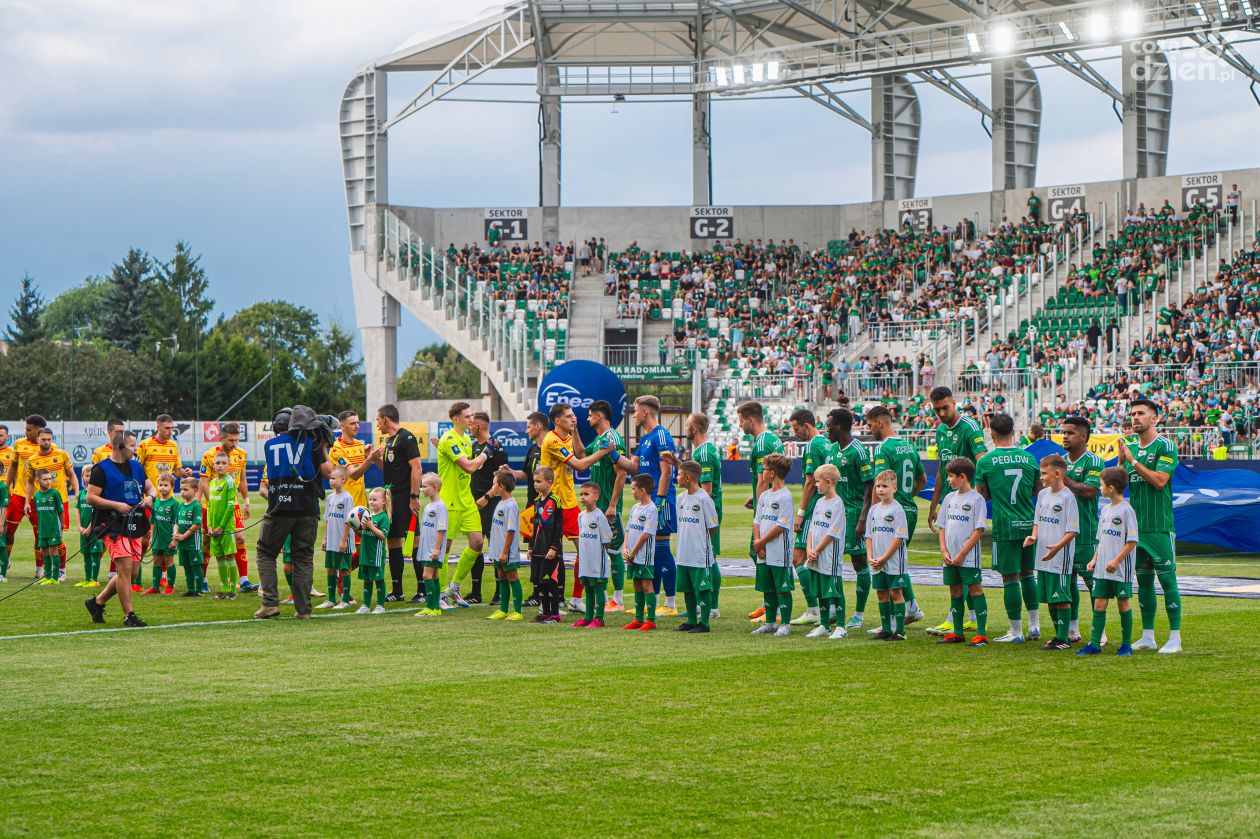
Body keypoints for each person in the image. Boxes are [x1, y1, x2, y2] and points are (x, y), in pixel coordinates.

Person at [254, 406, 333, 620]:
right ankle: (303, 610)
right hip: (307, 507)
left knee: (265, 552)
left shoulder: (269, 445)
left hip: (280, 507)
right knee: (303, 558)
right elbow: (328, 472)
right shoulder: (312, 442)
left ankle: (270, 603)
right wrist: (323, 446)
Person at [1118, 398, 1182, 654]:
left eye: (1141, 413)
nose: (1135, 418)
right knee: (1142, 583)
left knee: (1168, 581)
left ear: (1154, 418)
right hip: (1137, 528)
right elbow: (1118, 486)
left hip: (1159, 526)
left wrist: (1132, 461)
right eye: (1133, 414)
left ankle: (1175, 638)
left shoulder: (1165, 445)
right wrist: (1120, 464)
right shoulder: (1130, 447)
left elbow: (1159, 481)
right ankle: (1148, 636)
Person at [974, 413, 1042, 643]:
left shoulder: (985, 461)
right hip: (1028, 523)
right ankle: (1035, 626)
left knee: (1010, 578)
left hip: (1005, 526)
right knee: (1028, 574)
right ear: (1013, 433)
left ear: (991, 434)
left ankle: (1016, 631)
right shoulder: (1029, 458)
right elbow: (1036, 489)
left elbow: (980, 496)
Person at [926, 385, 987, 637]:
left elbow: (982, 460)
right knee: (953, 562)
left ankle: (962, 620)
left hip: (969, 499)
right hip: (952, 498)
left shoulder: (970, 427)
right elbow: (942, 468)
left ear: (954, 402)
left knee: (967, 568)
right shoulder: (940, 431)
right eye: (937, 409)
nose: (941, 413)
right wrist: (934, 503)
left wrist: (978, 499)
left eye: (945, 407)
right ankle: (967, 619)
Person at [610, 395, 678, 616]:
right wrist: (612, 453)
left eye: (636, 411)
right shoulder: (647, 438)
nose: (634, 415)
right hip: (651, 501)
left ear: (645, 412)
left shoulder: (661, 435)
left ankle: (670, 604)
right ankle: (656, 602)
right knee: (652, 552)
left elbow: (667, 471)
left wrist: (658, 500)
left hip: (662, 500)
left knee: (661, 549)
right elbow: (632, 467)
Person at [541, 403, 613, 612]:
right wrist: (604, 451)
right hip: (553, 504)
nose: (574, 419)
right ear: (557, 421)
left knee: (584, 549)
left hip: (569, 503)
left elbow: (580, 454)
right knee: (550, 553)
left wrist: (576, 430)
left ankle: (575, 598)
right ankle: (548, 602)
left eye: (574, 415)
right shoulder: (553, 440)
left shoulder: (567, 437)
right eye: (569, 416)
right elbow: (581, 465)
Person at [84, 429, 154, 628]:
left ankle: (96, 603)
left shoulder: (137, 467)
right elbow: (91, 497)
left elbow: (151, 487)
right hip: (112, 525)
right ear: (120, 446)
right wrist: (115, 505)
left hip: (135, 524)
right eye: (132, 445)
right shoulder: (101, 469)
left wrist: (150, 497)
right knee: (124, 568)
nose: (135, 449)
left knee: (131, 573)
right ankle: (128, 615)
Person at [866, 404, 927, 624]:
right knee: (896, 562)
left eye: (870, 424)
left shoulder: (883, 449)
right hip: (909, 509)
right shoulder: (909, 446)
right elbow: (922, 480)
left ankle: (894, 620)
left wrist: (873, 513)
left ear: (880, 422)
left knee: (888, 565)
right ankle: (911, 608)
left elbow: (879, 483)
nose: (869, 428)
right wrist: (908, 495)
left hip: (891, 513)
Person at [1078, 467, 1139, 657]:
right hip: (1102, 568)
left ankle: (1126, 645)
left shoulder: (1127, 510)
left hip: (1120, 568)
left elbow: (1132, 541)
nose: (1099, 488)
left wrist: (1117, 560)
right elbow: (1101, 539)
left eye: (1101, 485)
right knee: (1099, 604)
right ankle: (1095, 644)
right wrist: (1095, 558)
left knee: (1123, 604)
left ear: (1111, 488)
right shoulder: (1105, 509)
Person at [437, 402, 491, 608]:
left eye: (471, 416)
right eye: (467, 417)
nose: (471, 420)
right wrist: (486, 453)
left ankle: (454, 586)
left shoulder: (466, 439)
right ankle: (441, 593)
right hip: (449, 500)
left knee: (477, 542)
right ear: (455, 419)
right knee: (444, 548)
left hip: (466, 499)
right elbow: (469, 467)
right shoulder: (449, 438)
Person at [825, 409, 875, 631]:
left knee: (859, 562)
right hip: (834, 514)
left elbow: (869, 486)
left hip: (854, 512)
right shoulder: (833, 450)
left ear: (837, 427)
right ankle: (836, 608)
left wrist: (863, 518)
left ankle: (858, 614)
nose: (826, 430)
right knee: (832, 561)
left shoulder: (858, 451)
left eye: (828, 426)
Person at [367, 405, 422, 603]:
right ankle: (397, 591)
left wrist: (413, 496)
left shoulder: (406, 437)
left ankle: (422, 591)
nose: (377, 424)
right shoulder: (390, 441)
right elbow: (389, 469)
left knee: (415, 542)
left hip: (405, 497)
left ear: (386, 419)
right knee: (393, 542)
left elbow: (416, 467)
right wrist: (373, 459)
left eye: (377, 420)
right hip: (392, 499)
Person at [1025, 455, 1079, 650]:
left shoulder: (1068, 497)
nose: (1042, 477)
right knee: (1049, 598)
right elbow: (1037, 520)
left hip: (1060, 557)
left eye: (1044, 473)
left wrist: (1056, 548)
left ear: (1057, 474)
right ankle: (1058, 635)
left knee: (1061, 597)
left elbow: (1073, 530)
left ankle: (1064, 639)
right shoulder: (1043, 494)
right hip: (1043, 555)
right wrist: (1033, 536)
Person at [935, 458, 988, 646]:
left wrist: (962, 554)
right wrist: (944, 550)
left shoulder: (976, 499)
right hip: (949, 557)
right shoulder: (949, 498)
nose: (948, 480)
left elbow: (979, 529)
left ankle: (981, 634)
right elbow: (941, 526)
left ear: (963, 477)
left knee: (975, 590)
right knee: (955, 591)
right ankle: (957, 632)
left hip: (968, 558)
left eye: (950, 476)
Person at [739, 401, 784, 623]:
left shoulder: (762, 443)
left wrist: (760, 510)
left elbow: (763, 480)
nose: (739, 425)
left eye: (740, 420)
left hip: (768, 511)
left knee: (760, 551)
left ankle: (773, 607)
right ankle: (769, 603)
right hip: (771, 504)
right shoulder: (771, 439)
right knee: (761, 553)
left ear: (750, 419)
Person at [1061, 416, 1104, 644]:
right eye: (1064, 432)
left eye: (1070, 433)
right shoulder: (1059, 460)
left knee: (1093, 584)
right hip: (1062, 535)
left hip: (1086, 534)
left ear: (1083, 436)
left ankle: (1100, 631)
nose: (1065, 436)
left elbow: (1089, 491)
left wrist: (1063, 477)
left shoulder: (1093, 461)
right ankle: (1072, 629)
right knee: (1067, 583)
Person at [198, 422, 255, 593]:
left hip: (232, 504)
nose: (234, 444)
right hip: (212, 506)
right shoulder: (209, 455)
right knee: (207, 540)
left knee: (240, 538)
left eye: (236, 440)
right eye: (231, 440)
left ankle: (243, 580)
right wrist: (210, 503)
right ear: (221, 438)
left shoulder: (241, 454)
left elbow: (242, 480)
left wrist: (246, 501)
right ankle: (202, 579)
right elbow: (204, 481)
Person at [788, 409, 832, 628]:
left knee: (799, 557)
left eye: (796, 429)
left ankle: (815, 609)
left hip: (814, 508)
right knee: (817, 558)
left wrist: (800, 513)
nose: (795, 433)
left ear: (807, 425)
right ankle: (828, 607)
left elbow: (809, 482)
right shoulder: (826, 443)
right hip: (827, 507)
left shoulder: (813, 446)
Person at [586, 400, 628, 613]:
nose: (587, 419)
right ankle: (601, 598)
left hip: (607, 506)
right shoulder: (599, 439)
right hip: (596, 506)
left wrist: (612, 505)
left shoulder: (613, 439)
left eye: (590, 415)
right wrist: (574, 431)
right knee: (598, 551)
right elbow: (582, 454)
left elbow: (621, 473)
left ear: (599, 416)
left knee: (613, 551)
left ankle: (618, 600)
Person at [24, 426, 77, 582]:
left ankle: (61, 570)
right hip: (41, 502)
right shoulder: (33, 460)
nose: (46, 442)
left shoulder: (62, 455)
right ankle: (48, 571)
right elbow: (29, 482)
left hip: (60, 501)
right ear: (38, 439)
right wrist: (27, 500)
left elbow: (72, 475)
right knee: (44, 537)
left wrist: (78, 491)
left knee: (58, 538)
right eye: (43, 439)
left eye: (49, 439)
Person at [751, 453, 795, 637]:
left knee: (782, 588)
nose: (762, 471)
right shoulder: (764, 496)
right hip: (763, 550)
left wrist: (761, 541)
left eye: (765, 468)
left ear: (773, 473)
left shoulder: (785, 497)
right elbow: (757, 520)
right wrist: (758, 544)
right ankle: (769, 622)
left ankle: (785, 623)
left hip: (779, 550)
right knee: (767, 587)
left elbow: (781, 526)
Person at [468, 410, 509, 604]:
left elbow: (502, 479)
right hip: (475, 502)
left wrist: (487, 496)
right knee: (476, 545)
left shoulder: (496, 447)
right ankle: (476, 592)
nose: (469, 426)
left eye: (471, 423)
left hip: (490, 502)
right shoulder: (475, 446)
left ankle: (500, 591)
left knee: (495, 546)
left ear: (480, 426)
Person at [674, 460, 718, 634]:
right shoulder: (681, 498)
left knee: (703, 587)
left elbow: (713, 526)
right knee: (687, 587)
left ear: (687, 477)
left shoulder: (703, 499)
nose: (677, 477)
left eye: (678, 474)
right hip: (683, 551)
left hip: (699, 552)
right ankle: (691, 620)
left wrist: (701, 542)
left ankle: (704, 623)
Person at [804, 463, 847, 640]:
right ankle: (824, 624)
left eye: (818, 481)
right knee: (820, 591)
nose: (815, 484)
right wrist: (809, 549)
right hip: (815, 555)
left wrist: (818, 549)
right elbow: (812, 528)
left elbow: (832, 532)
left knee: (835, 591)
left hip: (829, 556)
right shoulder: (819, 502)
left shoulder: (837, 504)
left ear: (828, 482)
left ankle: (842, 626)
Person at [865, 469, 909, 641]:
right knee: (881, 594)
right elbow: (868, 536)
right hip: (876, 561)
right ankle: (885, 629)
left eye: (885, 486)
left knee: (895, 593)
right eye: (878, 486)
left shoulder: (897, 510)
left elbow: (899, 537)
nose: (881, 490)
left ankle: (899, 631)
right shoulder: (873, 510)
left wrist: (884, 558)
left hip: (893, 562)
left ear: (894, 488)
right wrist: (870, 557)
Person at [512, 411, 547, 607]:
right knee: (533, 549)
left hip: (547, 508)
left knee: (548, 550)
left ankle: (550, 593)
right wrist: (510, 473)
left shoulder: (551, 447)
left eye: (528, 427)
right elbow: (526, 475)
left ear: (538, 427)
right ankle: (536, 593)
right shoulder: (532, 449)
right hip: (531, 507)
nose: (526, 430)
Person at [621, 474, 659, 631]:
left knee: (646, 584)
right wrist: (625, 547)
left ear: (642, 490)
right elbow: (628, 529)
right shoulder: (635, 508)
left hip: (643, 555)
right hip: (632, 554)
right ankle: (638, 618)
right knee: (636, 583)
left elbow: (645, 535)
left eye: (633, 489)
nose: (632, 492)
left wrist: (633, 552)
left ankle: (650, 620)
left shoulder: (651, 509)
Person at [5, 415, 47, 558]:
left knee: (40, 534)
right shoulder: (19, 444)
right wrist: (6, 487)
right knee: (8, 531)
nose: (25, 432)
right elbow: (13, 467)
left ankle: (39, 569)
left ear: (38, 430)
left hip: (38, 498)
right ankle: (5, 562)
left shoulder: (49, 447)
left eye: (28, 430)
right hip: (18, 495)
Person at [484, 470, 523, 622]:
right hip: (498, 550)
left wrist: (505, 551)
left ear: (501, 486)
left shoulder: (511, 505)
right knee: (502, 578)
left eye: (494, 484)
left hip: (507, 551)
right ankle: (503, 609)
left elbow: (510, 530)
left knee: (512, 577)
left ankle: (518, 611)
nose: (492, 487)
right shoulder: (500, 502)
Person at [573, 483, 613, 628]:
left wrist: (601, 555)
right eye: (581, 494)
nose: (582, 497)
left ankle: (599, 619)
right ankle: (588, 617)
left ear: (596, 497)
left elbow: (607, 539)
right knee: (588, 588)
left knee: (598, 587)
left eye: (586, 494)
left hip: (597, 560)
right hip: (585, 560)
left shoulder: (599, 516)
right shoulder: (581, 516)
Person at [530, 467, 565, 624]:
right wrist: (531, 546)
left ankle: (555, 614)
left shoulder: (555, 501)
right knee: (540, 583)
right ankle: (545, 612)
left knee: (550, 582)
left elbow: (559, 528)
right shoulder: (537, 502)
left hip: (550, 550)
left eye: (539, 481)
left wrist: (554, 548)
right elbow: (535, 526)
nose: (535, 484)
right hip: (538, 550)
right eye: (534, 481)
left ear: (549, 482)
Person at [316, 467, 354, 611]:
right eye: (330, 478)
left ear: (343, 479)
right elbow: (327, 519)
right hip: (331, 541)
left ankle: (345, 599)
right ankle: (331, 599)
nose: (330, 481)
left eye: (333, 478)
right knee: (330, 569)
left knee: (344, 569)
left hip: (342, 541)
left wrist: (344, 540)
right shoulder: (331, 497)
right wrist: (325, 538)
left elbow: (349, 520)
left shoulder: (347, 498)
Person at [207, 452, 240, 600]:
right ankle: (223, 588)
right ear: (213, 465)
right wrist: (209, 526)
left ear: (229, 465)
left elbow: (230, 506)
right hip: (213, 527)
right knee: (219, 557)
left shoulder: (230, 482)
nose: (220, 465)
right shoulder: (212, 482)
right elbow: (209, 506)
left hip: (225, 527)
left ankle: (232, 589)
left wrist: (221, 526)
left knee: (229, 556)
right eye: (217, 463)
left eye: (223, 463)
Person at [357, 486, 391, 615]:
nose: (371, 502)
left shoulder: (383, 517)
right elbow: (363, 534)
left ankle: (380, 605)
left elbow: (383, 536)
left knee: (379, 580)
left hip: (376, 555)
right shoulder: (368, 515)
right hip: (365, 554)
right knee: (367, 580)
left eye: (374, 500)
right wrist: (356, 527)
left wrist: (371, 526)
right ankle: (365, 605)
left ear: (383, 501)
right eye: (370, 499)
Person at [145, 475, 180, 595]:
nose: (162, 488)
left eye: (166, 485)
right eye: (160, 485)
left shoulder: (175, 504)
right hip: (156, 539)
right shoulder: (156, 503)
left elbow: (177, 522)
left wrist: (174, 539)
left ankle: (170, 587)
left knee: (169, 562)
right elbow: (153, 522)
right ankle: (155, 587)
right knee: (156, 562)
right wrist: (151, 537)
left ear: (172, 487)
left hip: (168, 539)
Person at [32, 470, 66, 585]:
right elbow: (38, 513)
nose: (48, 481)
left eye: (49, 479)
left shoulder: (55, 493)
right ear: (38, 481)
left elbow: (61, 511)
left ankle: (55, 578)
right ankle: (47, 576)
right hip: (42, 529)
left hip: (53, 529)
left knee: (53, 552)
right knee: (44, 552)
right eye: (45, 479)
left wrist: (62, 527)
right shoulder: (36, 496)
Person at [172, 477, 205, 597]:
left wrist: (183, 536)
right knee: (186, 566)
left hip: (192, 542)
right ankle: (191, 589)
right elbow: (176, 522)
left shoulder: (196, 506)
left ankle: (199, 590)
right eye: (181, 489)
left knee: (195, 565)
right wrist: (175, 536)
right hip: (182, 542)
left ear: (195, 490)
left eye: (185, 489)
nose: (182, 492)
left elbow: (196, 525)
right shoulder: (180, 506)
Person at [73, 465, 102, 588]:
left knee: (95, 553)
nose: (89, 478)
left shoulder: (98, 494)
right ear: (82, 477)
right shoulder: (81, 494)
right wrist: (79, 527)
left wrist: (90, 528)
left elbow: (97, 512)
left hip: (94, 530)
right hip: (83, 531)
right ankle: (87, 578)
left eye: (92, 475)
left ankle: (94, 580)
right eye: (87, 475)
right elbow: (78, 511)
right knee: (86, 554)